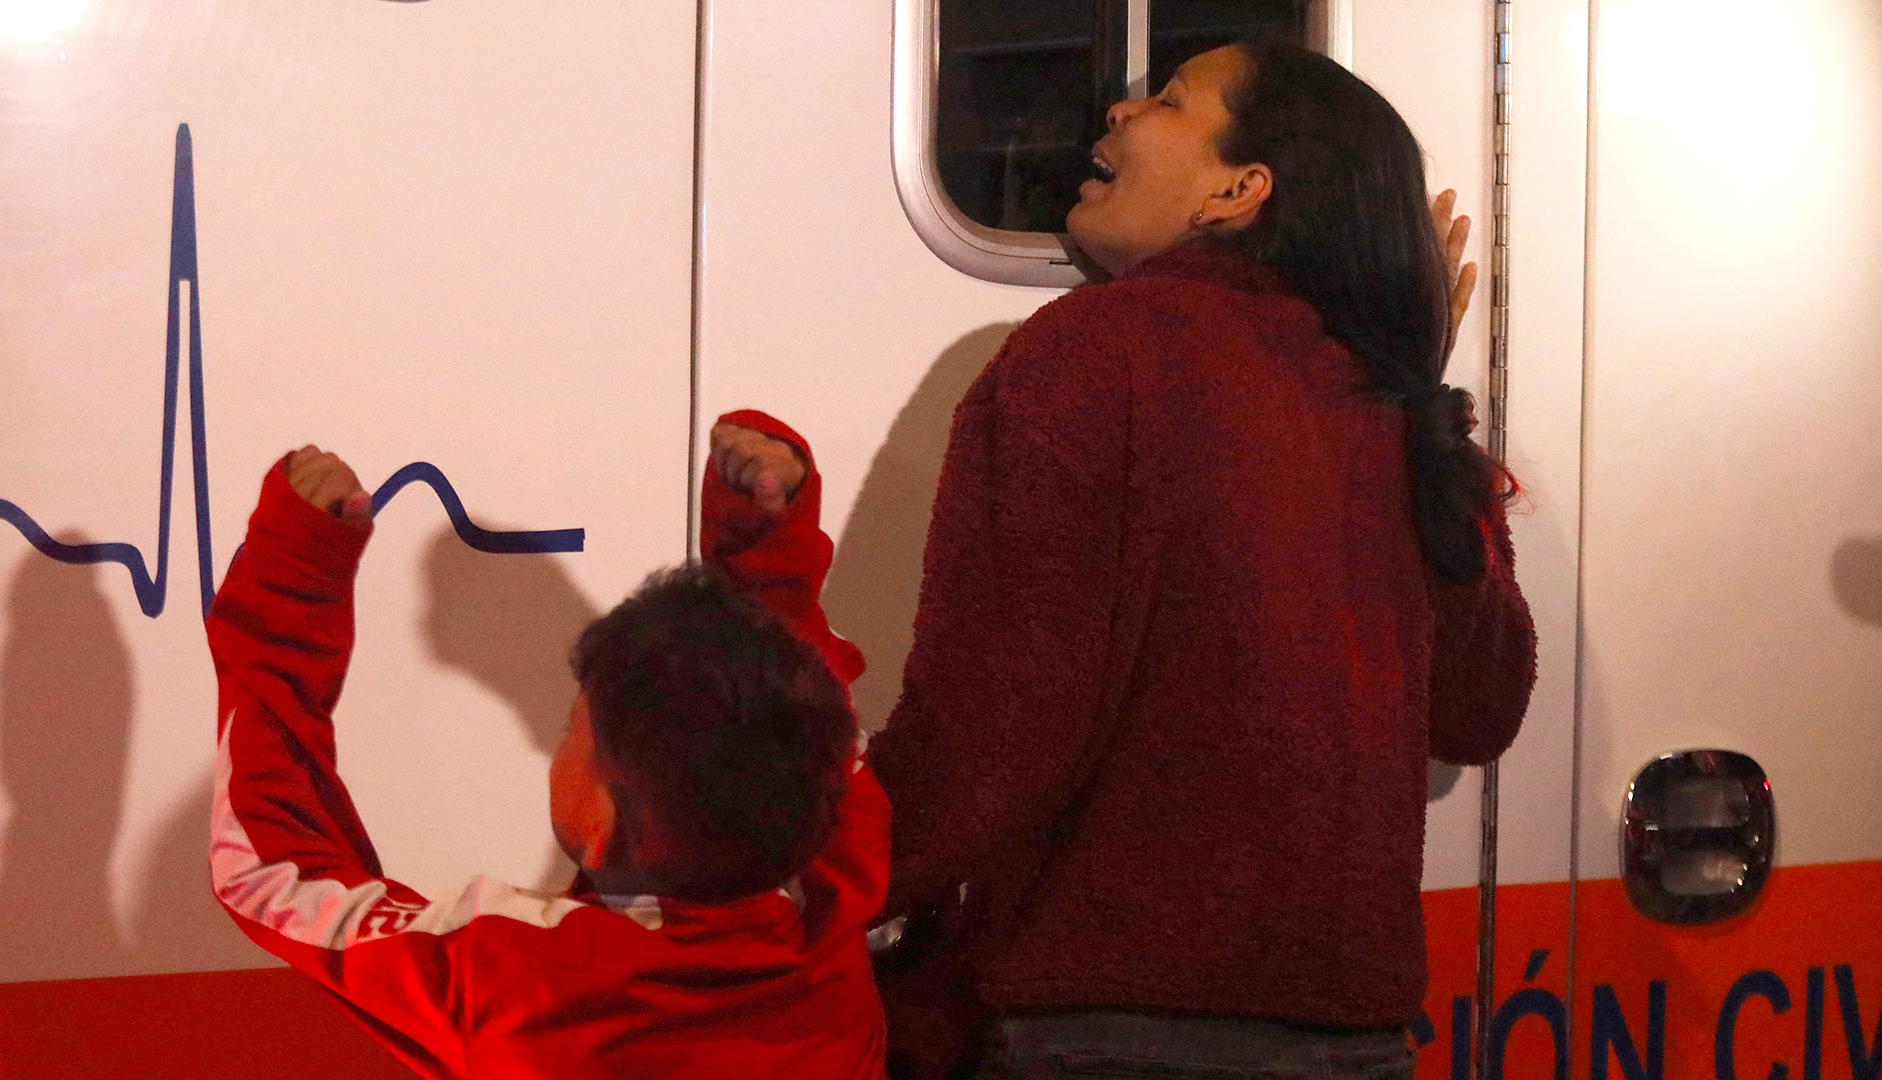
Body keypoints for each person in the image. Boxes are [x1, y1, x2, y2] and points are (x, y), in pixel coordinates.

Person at [866, 39, 1537, 1080]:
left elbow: (996, 721)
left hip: (1109, 1027)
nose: (1123, 112)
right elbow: (1479, 709)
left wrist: (826, 882)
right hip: (1356, 1040)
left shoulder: (1090, 352)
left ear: (1239, 188)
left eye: (1171, 101)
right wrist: (1420, 388)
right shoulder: (1386, 405)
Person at [206, 412, 890, 1079]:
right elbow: (799, 709)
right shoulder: (831, 910)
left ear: (601, 825)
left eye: (573, 730)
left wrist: (293, 576)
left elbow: (272, 873)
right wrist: (766, 536)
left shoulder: (517, 982)